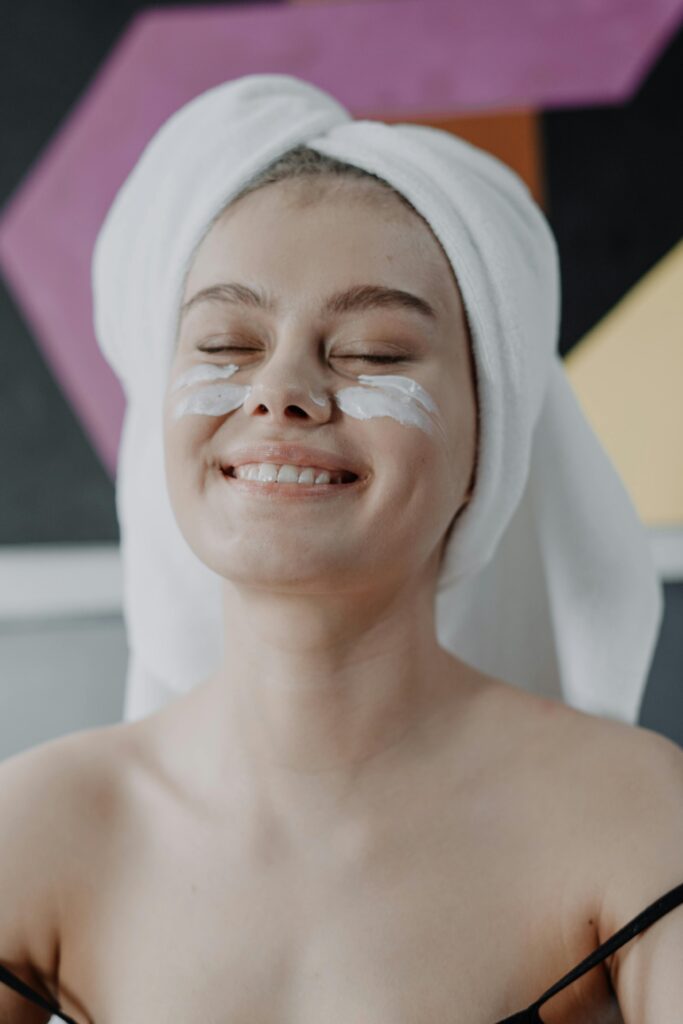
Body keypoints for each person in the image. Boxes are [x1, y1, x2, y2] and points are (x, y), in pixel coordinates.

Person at [1, 75, 681, 1023]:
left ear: (488, 435)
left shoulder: (638, 818)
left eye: (373, 352)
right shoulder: (34, 830)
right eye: (227, 344)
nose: (281, 390)